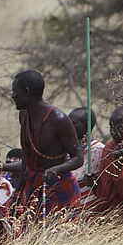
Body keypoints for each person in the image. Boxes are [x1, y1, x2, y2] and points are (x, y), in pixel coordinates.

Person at [12, 69, 83, 219]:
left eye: (15, 91)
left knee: (60, 237)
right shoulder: (24, 115)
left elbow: (78, 158)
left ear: (27, 91)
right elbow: (27, 157)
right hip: (33, 186)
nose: (13, 96)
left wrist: (56, 169)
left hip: (59, 188)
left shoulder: (58, 120)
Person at [70, 107, 105, 192]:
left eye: (73, 123)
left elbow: (104, 182)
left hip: (88, 201)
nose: (69, 126)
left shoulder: (98, 150)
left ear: (86, 127)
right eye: (68, 122)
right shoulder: (65, 148)